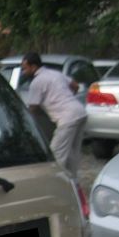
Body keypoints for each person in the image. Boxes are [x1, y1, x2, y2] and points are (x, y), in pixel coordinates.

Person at [20, 52, 87, 180]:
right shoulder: (55, 74)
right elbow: (75, 86)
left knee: (56, 153)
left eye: (25, 68)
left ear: (33, 67)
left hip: (67, 117)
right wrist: (65, 98)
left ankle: (57, 182)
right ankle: (74, 182)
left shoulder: (37, 82)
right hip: (79, 111)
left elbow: (33, 108)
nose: (23, 72)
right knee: (72, 152)